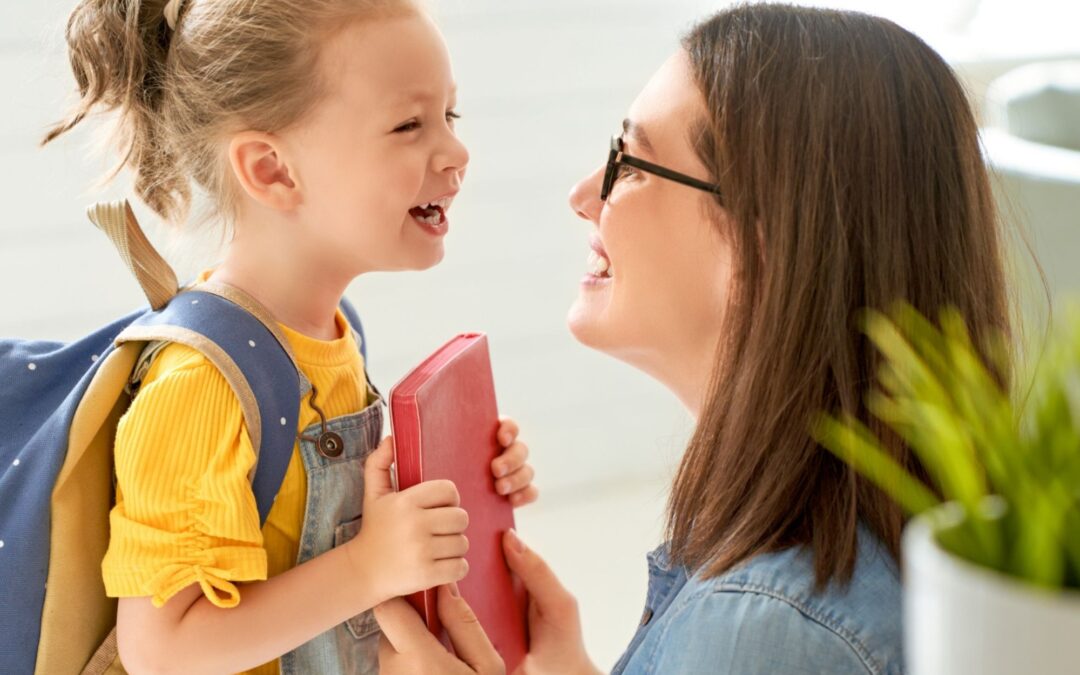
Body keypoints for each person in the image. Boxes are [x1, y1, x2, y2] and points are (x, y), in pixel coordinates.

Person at [374, 4, 1013, 674]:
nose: (584, 194)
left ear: (760, 244)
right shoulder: (832, 568)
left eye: (632, 162)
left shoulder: (763, 631)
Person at [43, 1, 538, 673]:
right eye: (409, 124)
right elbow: (162, 650)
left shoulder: (334, 333)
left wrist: (458, 484)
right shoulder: (200, 384)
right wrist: (369, 564)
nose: (456, 152)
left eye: (449, 116)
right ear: (272, 169)